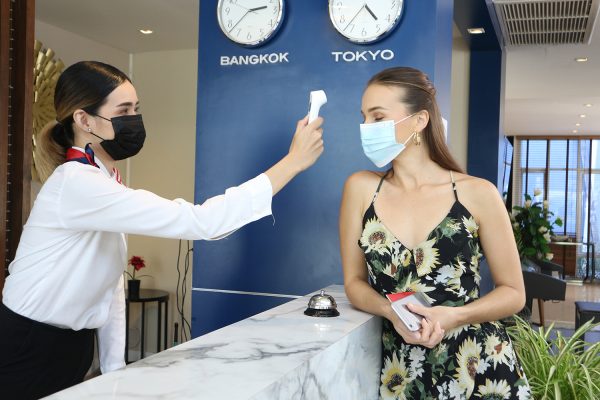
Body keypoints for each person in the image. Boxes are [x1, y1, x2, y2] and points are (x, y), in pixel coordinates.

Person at [0, 61, 324, 399]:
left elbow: (109, 285)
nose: (134, 120)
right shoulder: (77, 184)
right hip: (28, 342)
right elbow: (202, 222)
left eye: (136, 109)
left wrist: (115, 370)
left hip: (72, 344)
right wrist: (293, 162)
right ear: (84, 120)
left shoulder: (105, 181)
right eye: (123, 110)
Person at [339, 67, 531, 399]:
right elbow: (354, 283)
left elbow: (514, 293)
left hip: (479, 364)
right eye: (364, 118)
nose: (366, 128)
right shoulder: (361, 189)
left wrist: (456, 315)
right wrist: (390, 312)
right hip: (402, 368)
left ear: (419, 121)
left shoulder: (477, 193)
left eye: (377, 117)